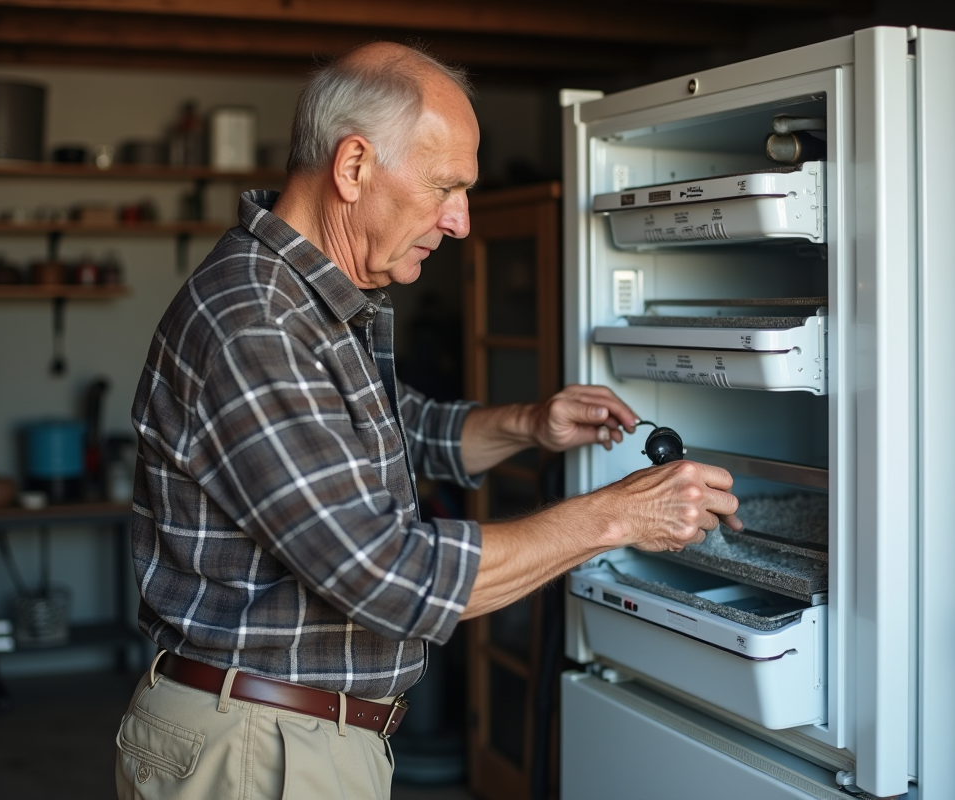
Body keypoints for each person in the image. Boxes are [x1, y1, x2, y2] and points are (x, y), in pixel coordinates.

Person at [114, 41, 741, 800]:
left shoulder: (311, 302)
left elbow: (399, 431)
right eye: (446, 185)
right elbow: (385, 572)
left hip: (284, 736)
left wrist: (532, 424)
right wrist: (619, 517)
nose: (462, 221)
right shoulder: (257, 324)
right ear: (353, 168)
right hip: (258, 752)